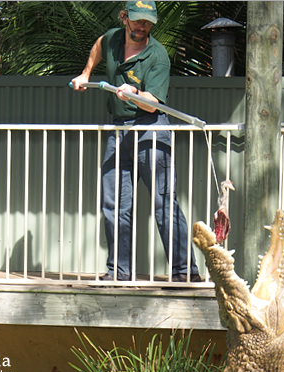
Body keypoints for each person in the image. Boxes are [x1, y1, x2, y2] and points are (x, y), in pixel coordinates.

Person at [71, 0, 200, 282]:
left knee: (164, 203)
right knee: (114, 205)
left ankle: (184, 272)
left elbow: (153, 105)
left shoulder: (158, 55)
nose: (143, 26)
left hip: (150, 129)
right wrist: (86, 73)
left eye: (148, 22)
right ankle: (119, 271)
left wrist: (134, 93)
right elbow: (99, 45)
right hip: (119, 130)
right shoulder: (114, 38)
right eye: (138, 20)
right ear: (125, 17)